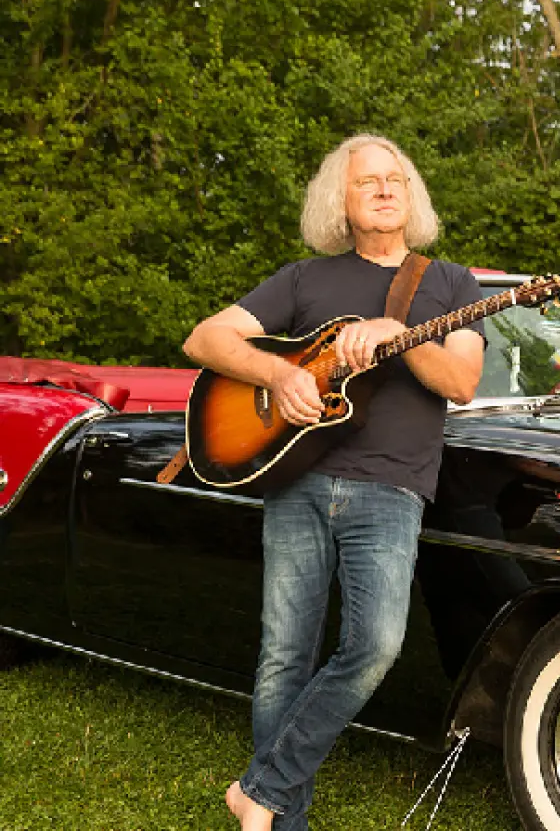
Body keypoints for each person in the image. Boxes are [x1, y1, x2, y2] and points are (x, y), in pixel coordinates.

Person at [183, 134, 486, 830]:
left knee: (375, 645)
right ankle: (278, 821)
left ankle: (260, 789)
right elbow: (205, 340)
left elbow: (463, 382)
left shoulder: (449, 284)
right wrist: (280, 374)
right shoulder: (304, 281)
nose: (385, 189)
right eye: (367, 182)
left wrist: (397, 334)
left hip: (390, 489)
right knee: (284, 654)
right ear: (340, 202)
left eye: (396, 180)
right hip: (296, 481)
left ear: (411, 197)